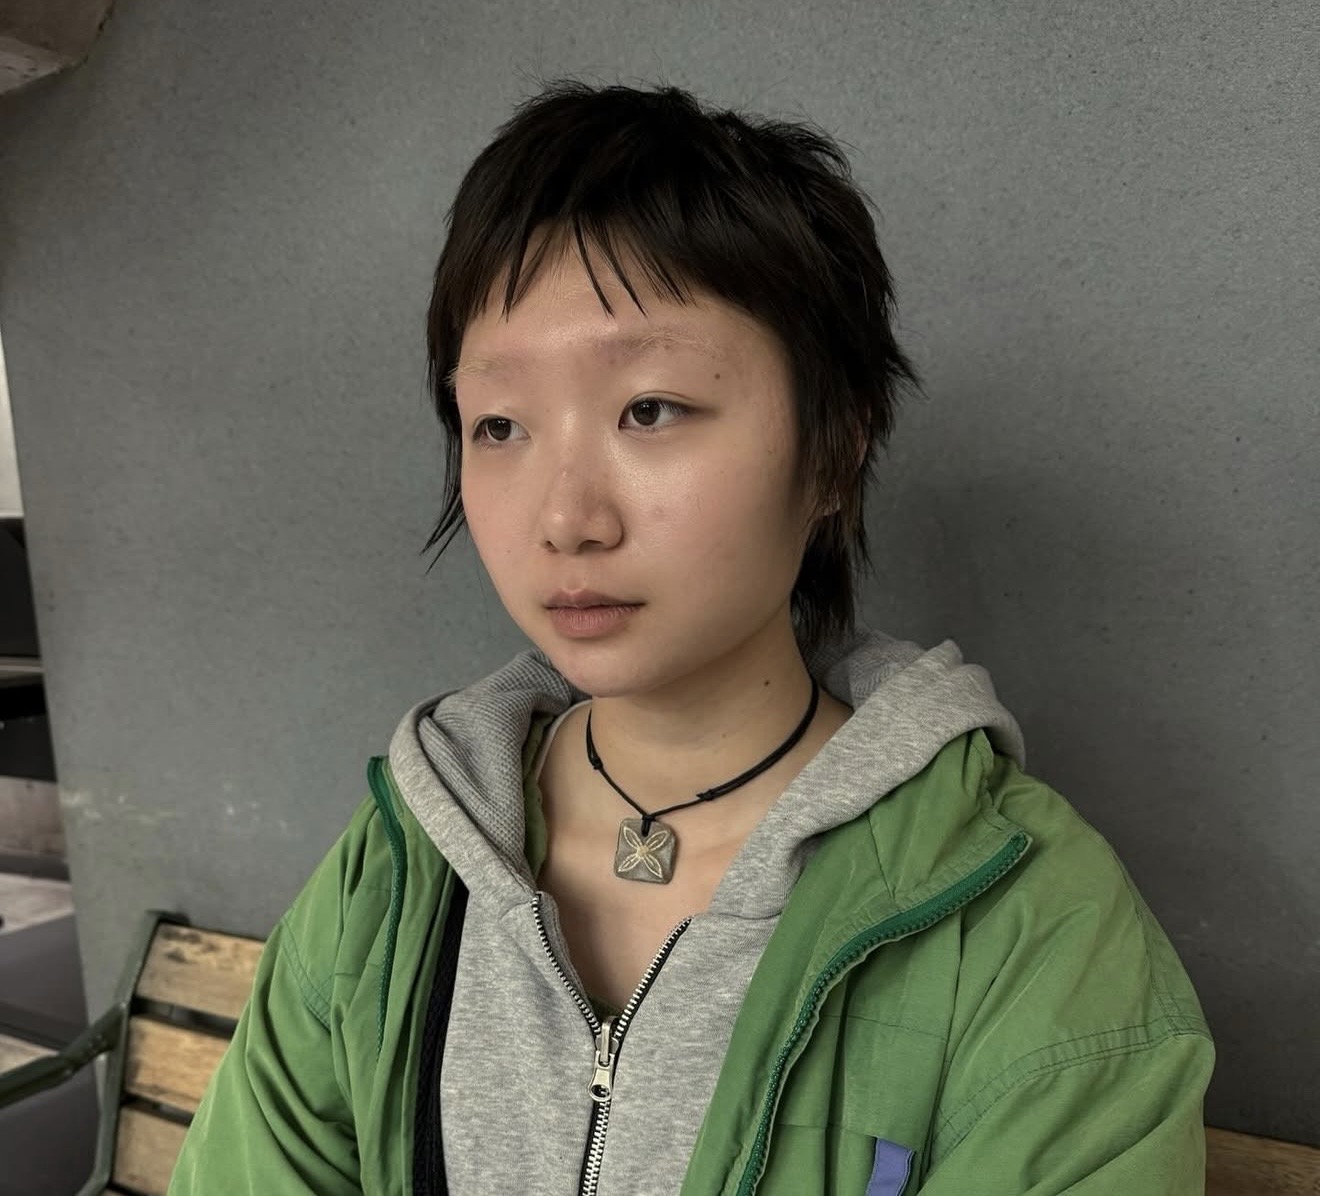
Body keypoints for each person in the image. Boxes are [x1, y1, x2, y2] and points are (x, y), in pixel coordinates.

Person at [169, 79, 1214, 1195]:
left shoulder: (1029, 922)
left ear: (834, 448)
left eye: (650, 409)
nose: (566, 519)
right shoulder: (400, 869)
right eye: (500, 424)